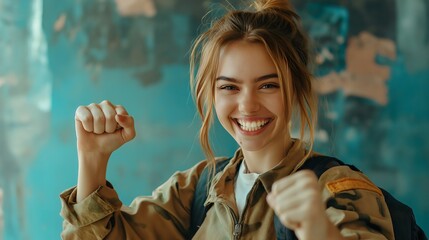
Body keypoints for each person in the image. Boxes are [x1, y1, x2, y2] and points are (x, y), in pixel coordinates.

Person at [59, 0, 394, 239]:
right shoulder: (198, 189)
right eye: (229, 87)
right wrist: (93, 159)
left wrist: (319, 232)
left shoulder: (340, 190)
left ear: (296, 89)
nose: (247, 105)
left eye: (267, 85)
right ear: (211, 94)